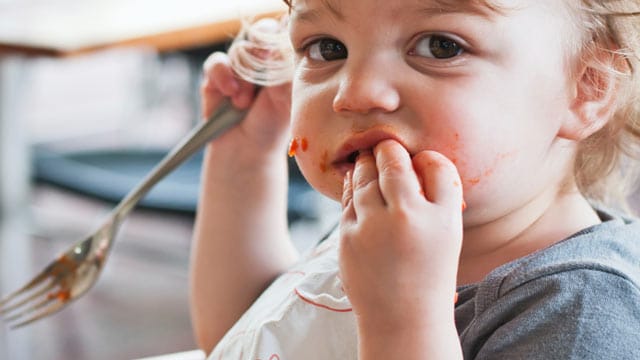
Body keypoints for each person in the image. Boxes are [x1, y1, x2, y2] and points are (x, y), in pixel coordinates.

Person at [189, 0, 640, 358]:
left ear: (588, 88)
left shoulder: (582, 313)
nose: (356, 92)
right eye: (327, 48)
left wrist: (403, 318)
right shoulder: (385, 215)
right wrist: (243, 157)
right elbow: (251, 337)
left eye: (441, 46)